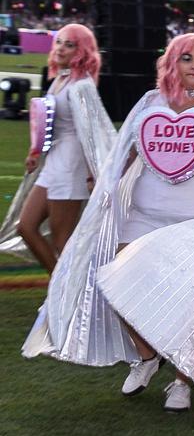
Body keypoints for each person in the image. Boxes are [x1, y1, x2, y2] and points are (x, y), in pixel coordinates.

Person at [28, 33, 194, 414]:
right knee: (118, 285)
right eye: (186, 58)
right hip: (144, 214)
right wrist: (105, 182)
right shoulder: (151, 103)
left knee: (191, 305)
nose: (193, 67)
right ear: (172, 62)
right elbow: (126, 150)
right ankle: (147, 355)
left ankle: (182, 382)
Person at [1, 24, 115, 272]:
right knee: (26, 227)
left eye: (70, 44)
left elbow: (94, 132)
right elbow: (47, 122)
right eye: (60, 42)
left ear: (82, 50)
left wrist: (93, 173)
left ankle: (71, 298)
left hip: (71, 165)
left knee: (62, 242)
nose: (62, 48)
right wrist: (35, 152)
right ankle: (60, 291)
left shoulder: (81, 86)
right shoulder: (60, 80)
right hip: (53, 161)